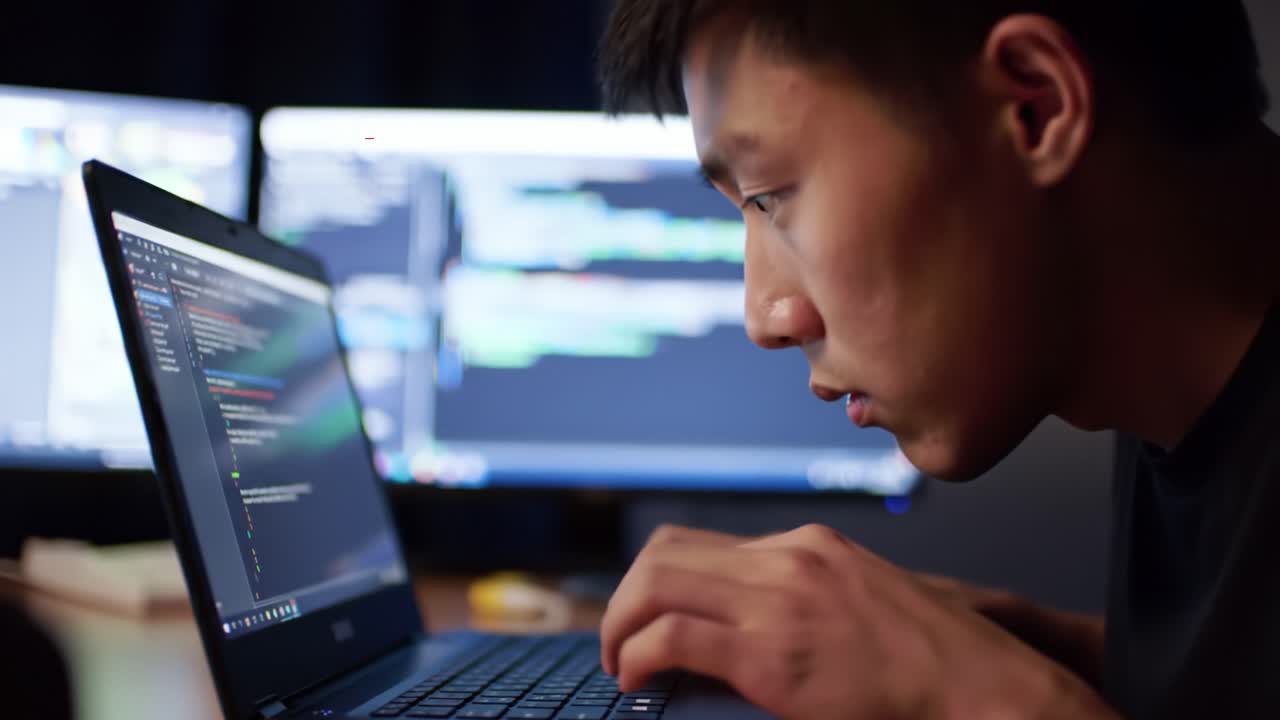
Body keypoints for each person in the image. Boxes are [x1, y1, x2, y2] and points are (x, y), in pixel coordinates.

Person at [595, 2, 1280, 718]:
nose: (766, 316)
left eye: (771, 196)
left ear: (1035, 105)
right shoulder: (1180, 381)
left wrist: (987, 696)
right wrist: (1036, 648)